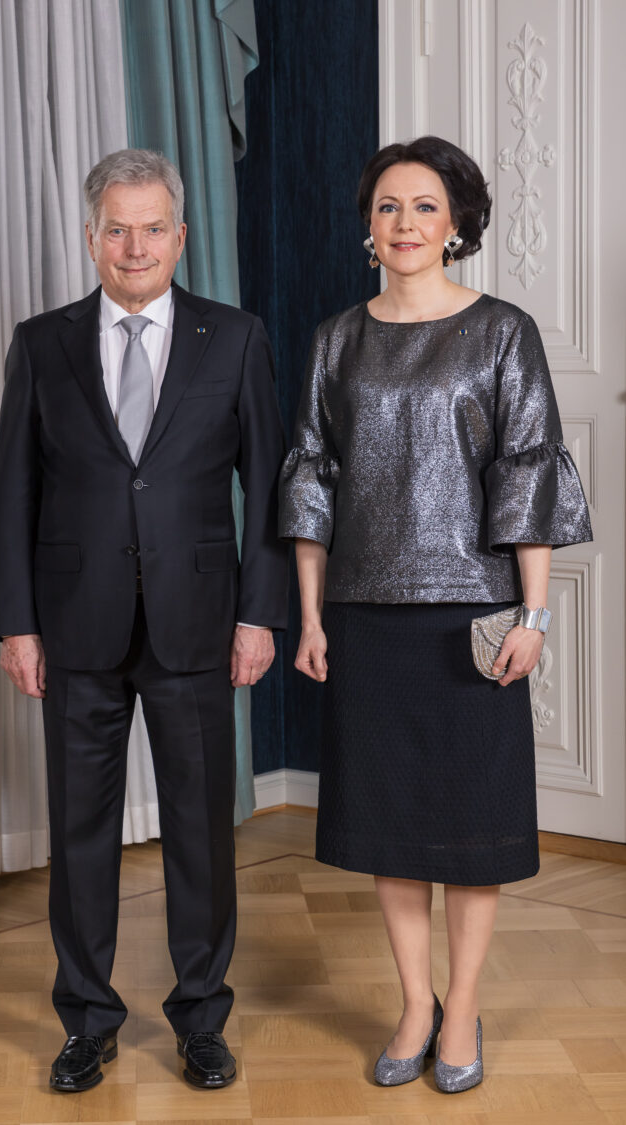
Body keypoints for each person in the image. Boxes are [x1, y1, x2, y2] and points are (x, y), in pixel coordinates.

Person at [279, 135, 592, 1094]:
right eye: (387, 207)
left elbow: (528, 473)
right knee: (389, 824)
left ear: (455, 224)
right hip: (364, 615)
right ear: (367, 227)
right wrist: (310, 617)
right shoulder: (337, 337)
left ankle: (462, 1004)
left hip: (472, 618)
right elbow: (311, 482)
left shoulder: (504, 330)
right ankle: (413, 1000)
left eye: (423, 206)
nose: (404, 223)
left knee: (468, 822)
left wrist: (534, 613)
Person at [0, 149, 288, 1093]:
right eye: (116, 228)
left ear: (181, 236)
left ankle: (202, 1017)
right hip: (73, 626)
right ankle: (87, 1019)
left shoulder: (234, 338)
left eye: (153, 227)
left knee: (200, 831)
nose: (135, 245)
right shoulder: (42, 344)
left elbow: (270, 488)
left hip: (200, 622)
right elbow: (12, 496)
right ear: (91, 237)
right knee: (81, 836)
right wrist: (18, 626)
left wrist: (260, 615)